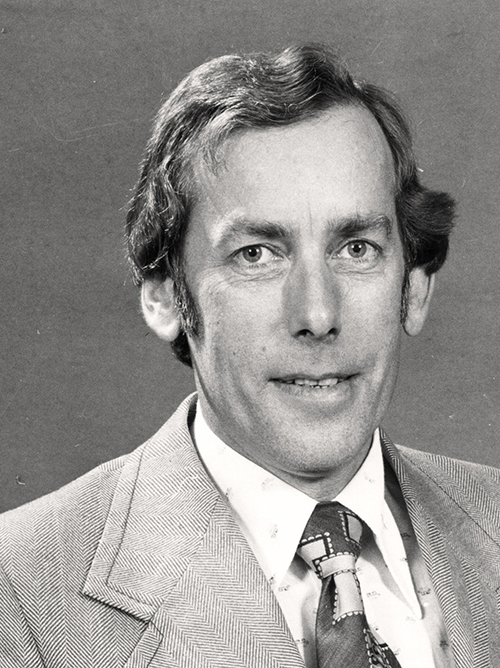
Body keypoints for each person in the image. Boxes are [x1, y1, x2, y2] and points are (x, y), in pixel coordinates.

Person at [0, 43, 498, 668]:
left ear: (415, 289)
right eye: (256, 254)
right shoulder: (19, 594)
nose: (317, 315)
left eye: (357, 248)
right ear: (165, 297)